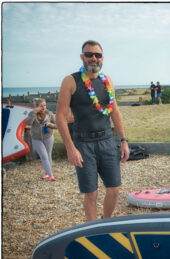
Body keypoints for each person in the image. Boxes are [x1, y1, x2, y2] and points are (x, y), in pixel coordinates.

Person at [56, 40, 130, 222]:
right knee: (91, 193)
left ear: (102, 58)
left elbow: (115, 111)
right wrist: (70, 148)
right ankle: (92, 231)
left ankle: (104, 223)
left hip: (107, 141)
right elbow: (60, 116)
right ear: (82, 57)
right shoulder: (70, 81)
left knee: (114, 189)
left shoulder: (107, 81)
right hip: (83, 144)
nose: (93, 58)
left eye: (97, 55)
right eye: (89, 54)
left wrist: (124, 140)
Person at [26, 98, 57, 181]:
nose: (43, 107)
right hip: (36, 138)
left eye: (45, 105)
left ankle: (47, 173)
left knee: (48, 154)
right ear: (36, 107)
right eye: (41, 106)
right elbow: (28, 123)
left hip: (48, 136)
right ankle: (51, 175)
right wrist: (34, 113)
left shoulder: (49, 114)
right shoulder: (32, 114)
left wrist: (50, 125)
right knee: (44, 156)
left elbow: (57, 126)